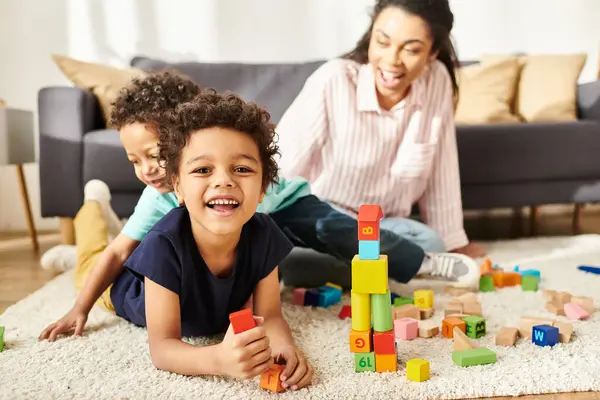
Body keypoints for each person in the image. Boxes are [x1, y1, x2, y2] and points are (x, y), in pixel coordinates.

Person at [275, 0, 485, 259]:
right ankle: (309, 261)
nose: (392, 60)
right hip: (324, 216)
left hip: (381, 225)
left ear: (432, 53)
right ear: (370, 36)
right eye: (383, 42)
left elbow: (443, 164)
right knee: (324, 238)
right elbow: (280, 165)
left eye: (411, 50)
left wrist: (454, 242)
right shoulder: (334, 80)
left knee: (432, 243)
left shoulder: (437, 80)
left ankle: (318, 263)